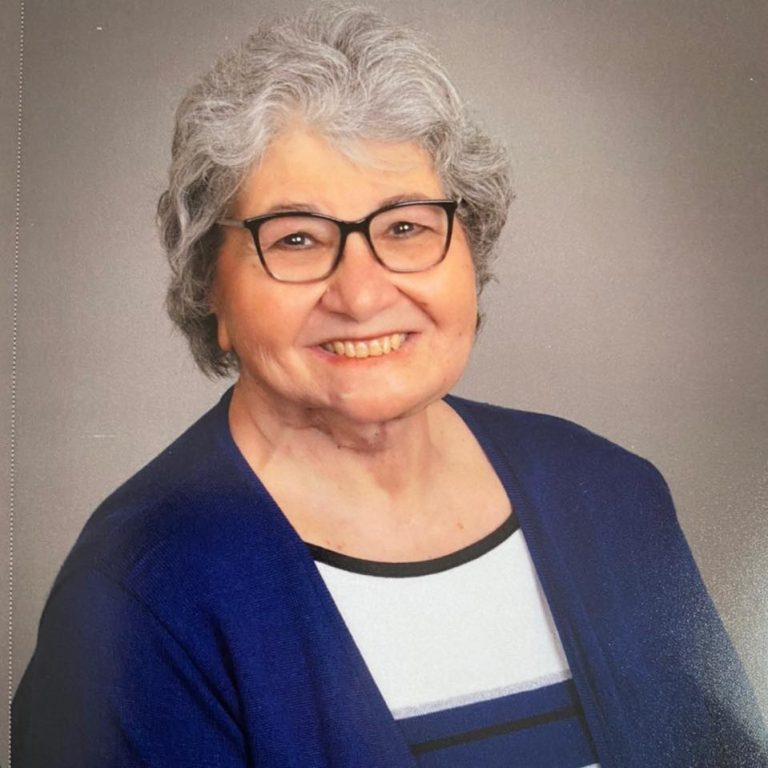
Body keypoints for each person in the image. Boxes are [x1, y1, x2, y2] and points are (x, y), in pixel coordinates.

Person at [12, 5, 767, 767]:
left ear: (470, 248)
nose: (363, 294)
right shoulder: (136, 593)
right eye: (296, 239)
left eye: (405, 227)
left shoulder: (612, 496)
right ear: (209, 283)